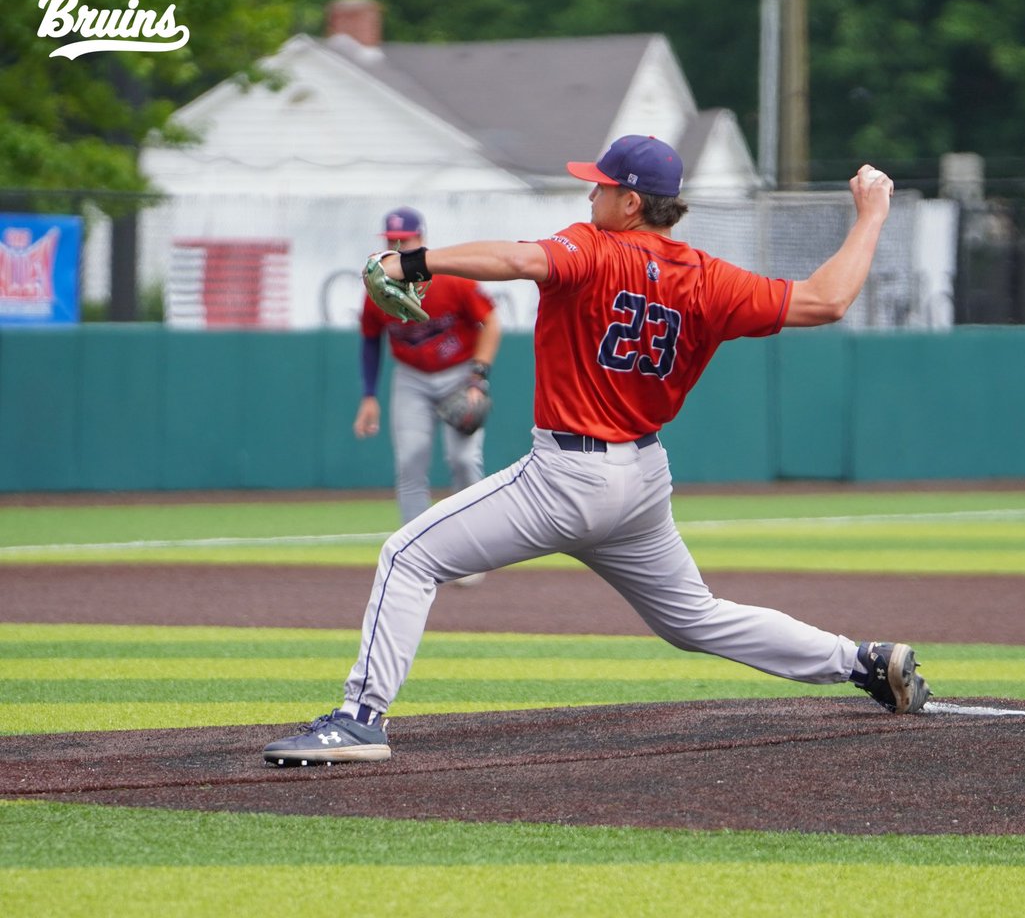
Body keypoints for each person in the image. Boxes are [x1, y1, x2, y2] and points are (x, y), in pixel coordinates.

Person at [264, 135, 931, 766]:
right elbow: (828, 299)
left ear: (631, 203)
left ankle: (359, 718)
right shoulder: (711, 279)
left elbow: (523, 261)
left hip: (565, 477)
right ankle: (862, 661)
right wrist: (872, 213)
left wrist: (414, 259)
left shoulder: (593, 248)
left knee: (407, 556)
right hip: (640, 481)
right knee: (694, 619)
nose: (591, 198)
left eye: (601, 188)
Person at [354, 206, 501, 586]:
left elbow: (492, 321)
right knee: (410, 462)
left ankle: (469, 554)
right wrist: (369, 395)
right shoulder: (376, 288)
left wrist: (478, 375)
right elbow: (370, 340)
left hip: (458, 373)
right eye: (392, 242)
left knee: (464, 459)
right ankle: (415, 556)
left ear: (421, 241)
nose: (399, 247)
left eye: (406, 241)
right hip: (412, 378)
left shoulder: (451, 278)